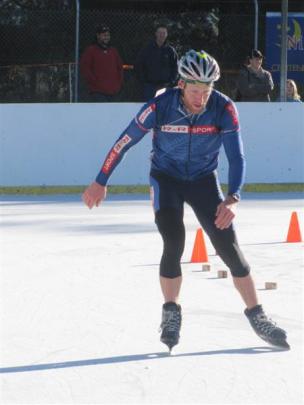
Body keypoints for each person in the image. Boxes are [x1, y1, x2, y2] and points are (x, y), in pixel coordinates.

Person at [82, 49, 289, 352]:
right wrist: (100, 181)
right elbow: (124, 141)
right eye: (195, 91)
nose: (201, 98)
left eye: (207, 91)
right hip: (166, 179)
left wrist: (233, 198)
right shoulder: (159, 106)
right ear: (181, 85)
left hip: (204, 181)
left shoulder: (224, 108)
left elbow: (236, 156)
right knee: (173, 239)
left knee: (228, 246)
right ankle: (171, 311)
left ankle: (257, 315)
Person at [80, 25, 123, 102]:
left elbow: (120, 68)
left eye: (108, 35)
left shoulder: (113, 51)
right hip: (98, 92)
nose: (106, 37)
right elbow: (85, 69)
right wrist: (95, 83)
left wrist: (118, 84)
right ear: (98, 36)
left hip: (114, 92)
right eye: (104, 35)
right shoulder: (90, 51)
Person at [134, 25, 178, 101]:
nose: (161, 35)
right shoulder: (147, 49)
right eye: (160, 32)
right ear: (156, 34)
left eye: (164, 33)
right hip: (150, 87)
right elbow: (139, 65)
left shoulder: (170, 51)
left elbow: (175, 68)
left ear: (166, 35)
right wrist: (143, 80)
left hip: (165, 86)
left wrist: (171, 82)